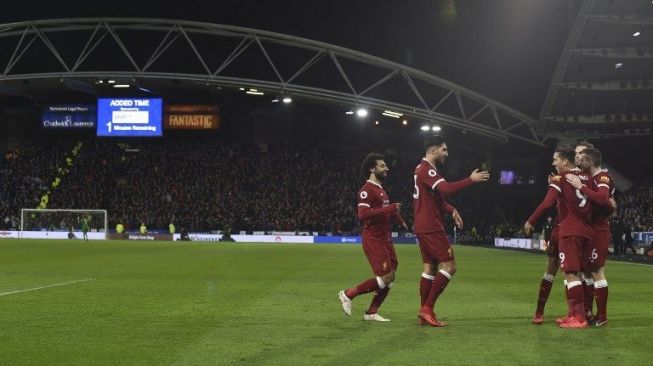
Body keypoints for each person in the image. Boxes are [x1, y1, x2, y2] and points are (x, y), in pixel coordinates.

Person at [412, 135, 489, 327]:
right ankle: (427, 308)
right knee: (450, 267)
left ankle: (424, 313)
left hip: (424, 224)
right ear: (433, 150)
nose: (447, 153)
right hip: (430, 226)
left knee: (430, 269)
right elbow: (445, 189)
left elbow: (437, 198)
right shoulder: (426, 169)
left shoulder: (422, 169)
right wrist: (470, 180)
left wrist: (451, 209)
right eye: (444, 149)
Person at [524, 145, 593, 328]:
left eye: (556, 159)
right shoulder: (587, 177)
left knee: (561, 271)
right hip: (585, 231)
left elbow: (547, 203)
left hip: (566, 230)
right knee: (578, 272)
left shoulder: (559, 178)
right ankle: (578, 313)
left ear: (564, 160)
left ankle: (576, 317)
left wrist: (530, 221)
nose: (553, 163)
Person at [338, 153, 408, 322]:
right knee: (385, 277)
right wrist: (390, 208)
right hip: (373, 239)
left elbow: (386, 210)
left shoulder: (381, 190)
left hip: (385, 239)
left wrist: (400, 220)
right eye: (382, 165)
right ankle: (348, 294)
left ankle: (371, 312)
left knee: (390, 276)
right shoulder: (366, 190)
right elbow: (363, 215)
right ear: (372, 168)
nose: (387, 168)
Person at [566, 146, 615, 326]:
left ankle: (602, 317)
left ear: (591, 160)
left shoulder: (602, 177)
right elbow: (606, 204)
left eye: (581, 156)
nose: (578, 158)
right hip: (589, 229)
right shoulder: (592, 178)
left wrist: (580, 187)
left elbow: (603, 199)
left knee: (597, 271)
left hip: (598, 230)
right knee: (586, 271)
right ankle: (588, 312)